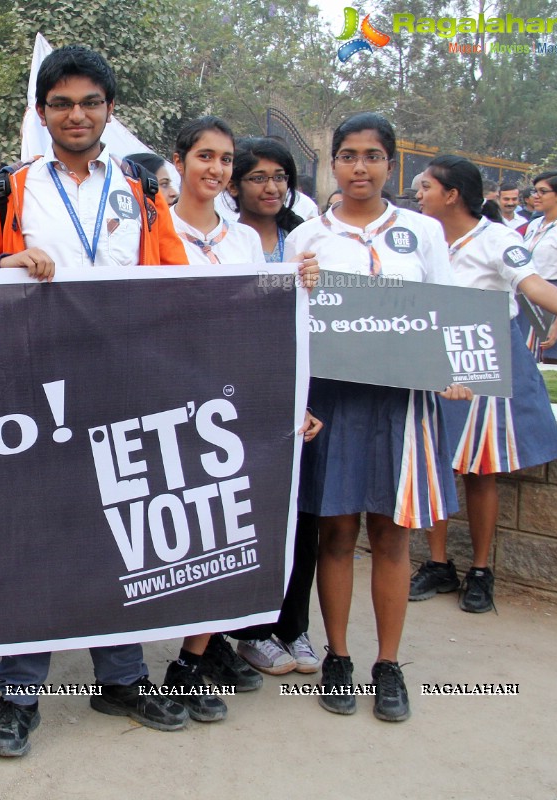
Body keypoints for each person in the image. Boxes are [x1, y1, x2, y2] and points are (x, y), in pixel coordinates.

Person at [0, 45, 194, 757]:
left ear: (110, 112)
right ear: (42, 112)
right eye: (62, 103)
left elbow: (178, 283)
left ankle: (120, 677)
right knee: (33, 541)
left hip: (122, 393)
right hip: (33, 397)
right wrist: (5, 262)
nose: (77, 114)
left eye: (90, 103)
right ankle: (19, 694)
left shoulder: (144, 192)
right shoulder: (11, 191)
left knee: (123, 534)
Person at [285, 112, 471, 723]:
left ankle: (387, 665)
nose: (359, 167)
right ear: (332, 163)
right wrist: (301, 287)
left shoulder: (420, 232)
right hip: (334, 402)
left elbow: (445, 310)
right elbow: (287, 329)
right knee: (335, 536)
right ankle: (337, 655)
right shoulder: (305, 238)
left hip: (404, 403)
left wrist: (456, 369)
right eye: (348, 155)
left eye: (372, 156)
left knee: (392, 536)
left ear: (392, 164)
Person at [412, 156, 557, 613]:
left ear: (452, 194)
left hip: (484, 355)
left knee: (482, 467)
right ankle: (438, 563)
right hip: (435, 355)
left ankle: (480, 570)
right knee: (438, 460)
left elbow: (534, 284)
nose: (418, 195)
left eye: (425, 187)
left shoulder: (498, 238)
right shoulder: (421, 240)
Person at [222, 136, 322, 676]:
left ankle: (294, 626)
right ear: (235, 186)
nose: (272, 186)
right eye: (258, 176)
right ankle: (249, 631)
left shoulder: (307, 239)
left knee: (300, 515)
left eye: (281, 176)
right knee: (247, 511)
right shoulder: (225, 241)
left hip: (301, 390)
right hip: (240, 391)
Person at [170, 117, 264, 266]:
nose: (217, 170)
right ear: (179, 162)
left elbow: (262, 288)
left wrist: (294, 273)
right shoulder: (154, 233)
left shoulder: (246, 238)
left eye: (226, 160)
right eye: (205, 157)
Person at [522, 171, 557, 364]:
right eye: (535, 191)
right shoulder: (535, 224)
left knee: (551, 362)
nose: (536, 196)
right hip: (528, 297)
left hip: (555, 299)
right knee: (525, 359)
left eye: (543, 192)